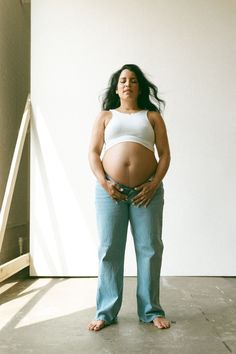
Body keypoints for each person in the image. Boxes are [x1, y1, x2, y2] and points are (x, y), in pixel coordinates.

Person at [88, 64, 171, 331]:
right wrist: (104, 182)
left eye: (133, 80)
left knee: (149, 249)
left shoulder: (152, 116)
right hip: (110, 191)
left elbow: (165, 154)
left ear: (139, 87)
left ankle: (151, 310)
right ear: (116, 87)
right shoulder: (105, 116)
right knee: (109, 249)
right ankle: (105, 312)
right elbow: (93, 152)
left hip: (147, 192)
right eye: (123, 80)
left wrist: (154, 183)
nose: (127, 84)